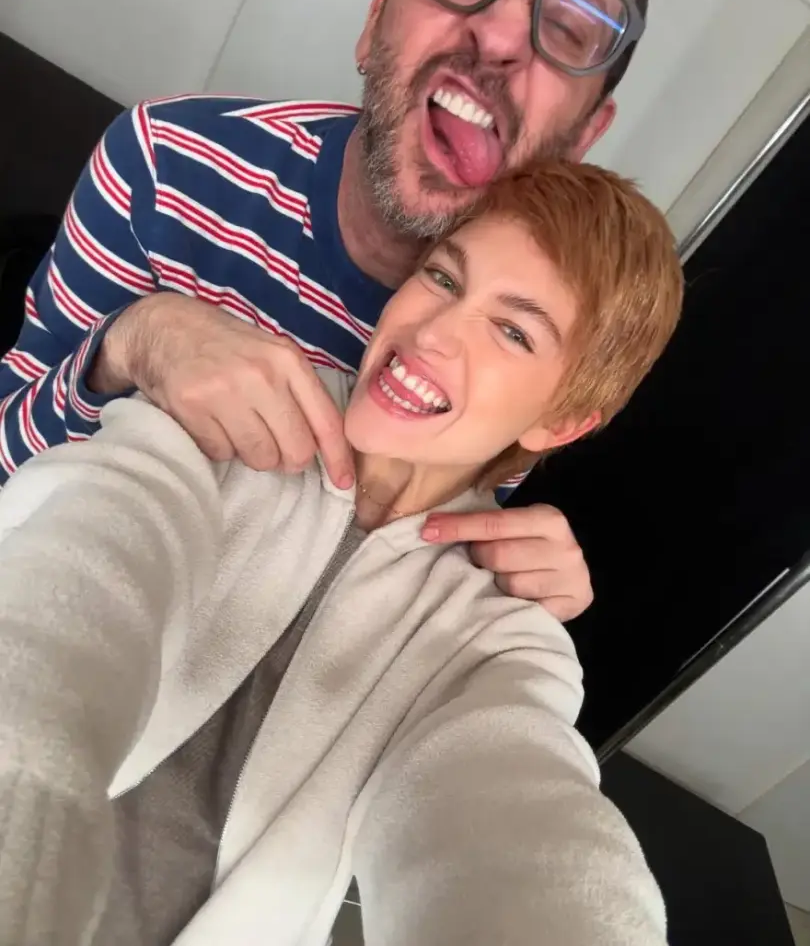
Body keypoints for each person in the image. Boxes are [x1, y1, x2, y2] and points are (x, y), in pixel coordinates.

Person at [0, 162, 683, 945]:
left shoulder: (501, 633)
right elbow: (80, 574)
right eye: (443, 278)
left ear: (561, 423)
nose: (432, 332)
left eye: (512, 331)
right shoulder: (231, 406)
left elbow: (516, 825)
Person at [0, 0, 655, 621]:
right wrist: (128, 348)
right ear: (375, 22)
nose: (502, 36)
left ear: (584, 137)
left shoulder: (537, 353)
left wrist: (508, 597)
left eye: (570, 27)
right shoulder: (165, 163)